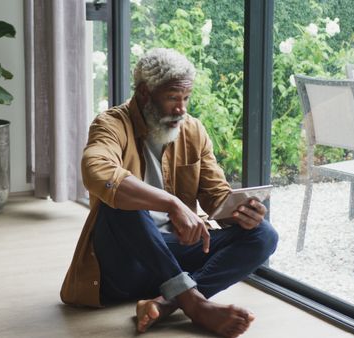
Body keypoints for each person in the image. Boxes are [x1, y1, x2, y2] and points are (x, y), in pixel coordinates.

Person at [60, 48, 278, 338]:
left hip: (174, 259)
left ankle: (166, 303)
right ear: (144, 93)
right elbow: (96, 171)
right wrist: (171, 203)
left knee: (264, 235)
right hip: (123, 267)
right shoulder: (111, 124)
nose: (181, 109)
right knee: (122, 202)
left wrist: (242, 213)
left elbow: (216, 197)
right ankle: (195, 305)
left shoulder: (193, 131)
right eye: (173, 98)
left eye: (186, 98)